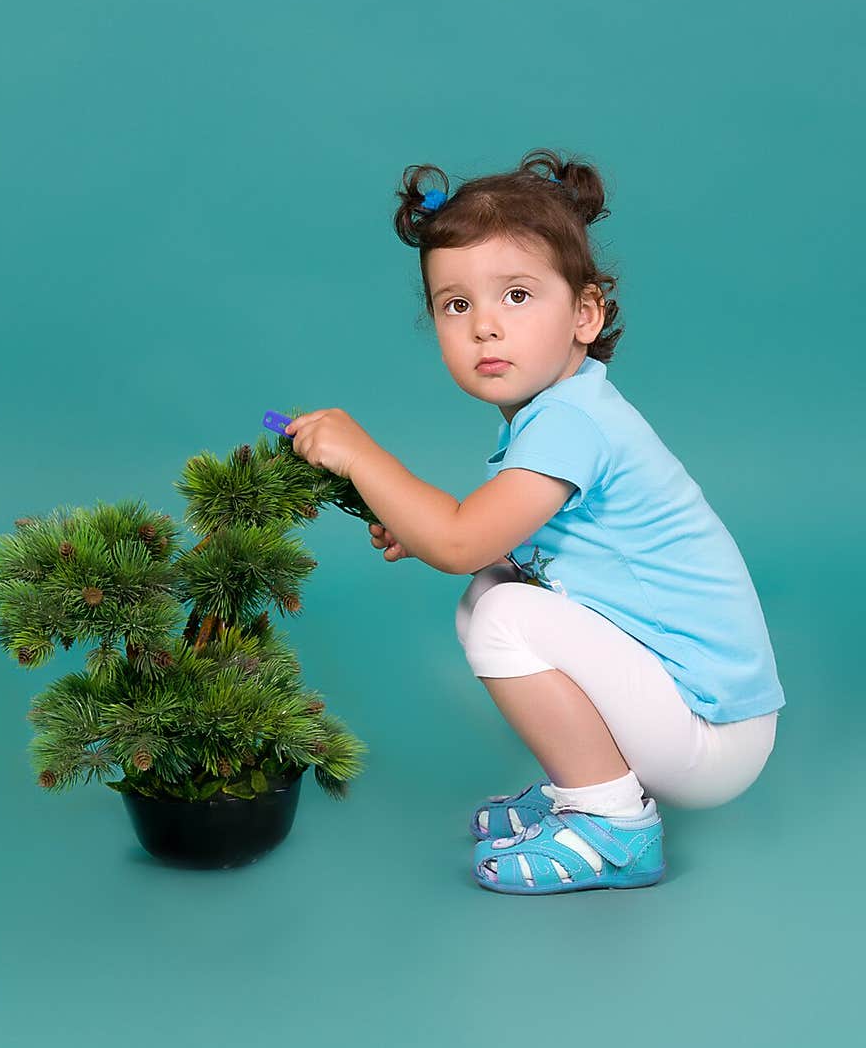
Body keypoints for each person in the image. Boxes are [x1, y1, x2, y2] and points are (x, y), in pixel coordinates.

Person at [284, 147, 785, 896]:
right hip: (690, 708)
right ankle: (591, 779)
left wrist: (362, 455)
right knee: (493, 589)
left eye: (516, 295)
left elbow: (460, 537)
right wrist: (420, 524)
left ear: (586, 314)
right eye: (457, 304)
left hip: (712, 729)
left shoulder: (570, 424)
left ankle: (614, 823)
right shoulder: (562, 411)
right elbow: (487, 539)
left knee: (501, 613)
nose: (485, 325)